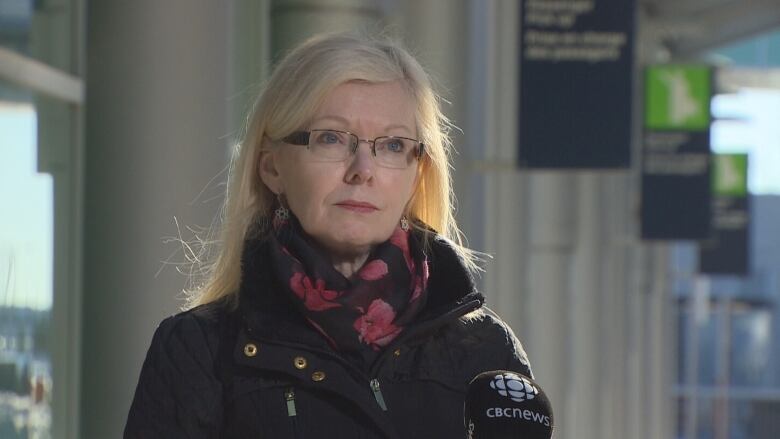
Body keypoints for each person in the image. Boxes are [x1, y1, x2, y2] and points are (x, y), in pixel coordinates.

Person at [124, 32, 532, 439]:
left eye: (391, 145)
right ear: (272, 168)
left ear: (416, 175)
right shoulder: (201, 349)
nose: (362, 169)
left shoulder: (485, 350)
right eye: (331, 138)